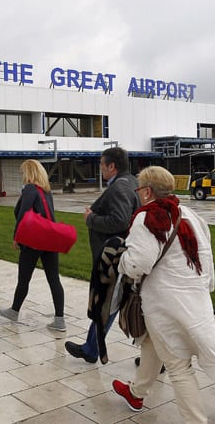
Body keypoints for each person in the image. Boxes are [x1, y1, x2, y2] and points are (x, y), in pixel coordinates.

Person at [111, 166, 215, 422]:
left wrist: (122, 260)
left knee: (178, 366)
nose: (138, 195)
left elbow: (139, 264)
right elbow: (207, 259)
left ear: (147, 191)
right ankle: (136, 392)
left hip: (164, 304)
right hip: (194, 299)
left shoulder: (148, 217)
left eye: (140, 190)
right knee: (152, 342)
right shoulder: (191, 215)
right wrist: (206, 290)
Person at [65, 147, 140, 363]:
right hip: (123, 256)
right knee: (113, 304)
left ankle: (91, 348)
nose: (100, 168)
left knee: (109, 304)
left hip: (115, 258)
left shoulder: (119, 188)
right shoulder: (130, 182)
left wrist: (91, 218)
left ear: (111, 166)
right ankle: (91, 347)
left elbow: (120, 220)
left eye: (101, 164)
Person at [0, 160, 66, 331]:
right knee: (54, 279)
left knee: (24, 278)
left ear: (29, 172)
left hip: (34, 241)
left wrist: (16, 236)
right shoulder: (46, 191)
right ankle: (59, 319)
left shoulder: (29, 189)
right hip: (50, 240)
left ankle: (14, 311)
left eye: (23, 172)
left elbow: (22, 213)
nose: (22, 176)